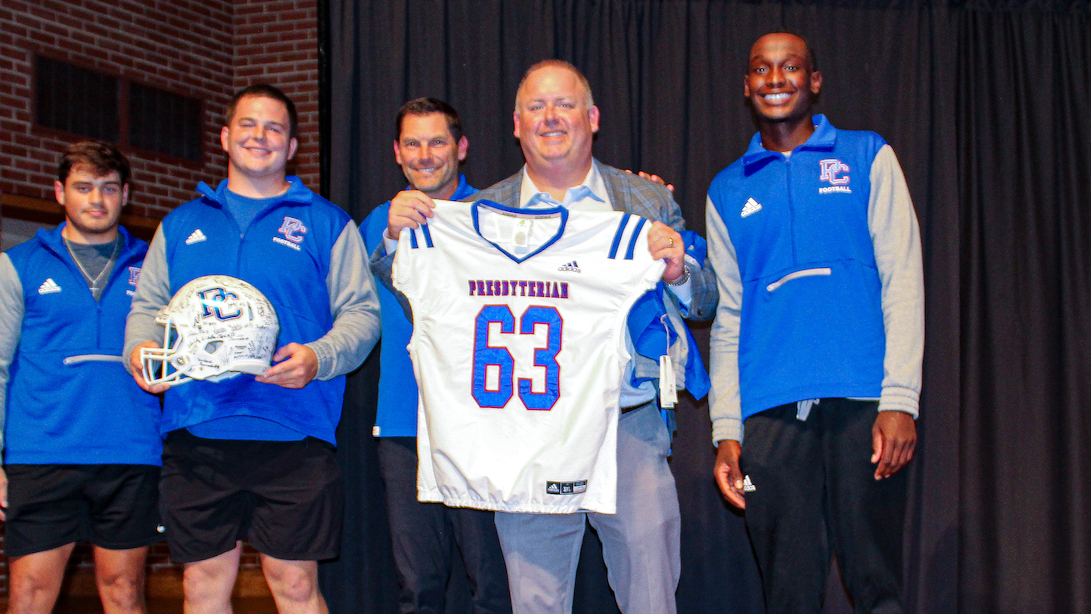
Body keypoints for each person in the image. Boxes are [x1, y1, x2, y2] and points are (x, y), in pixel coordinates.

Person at [375, 60, 717, 614]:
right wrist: (396, 241)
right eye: (536, 107)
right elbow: (413, 295)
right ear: (516, 123)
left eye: (564, 104)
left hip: (625, 425)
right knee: (535, 603)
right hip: (527, 435)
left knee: (651, 598)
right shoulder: (475, 211)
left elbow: (707, 299)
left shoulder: (644, 200)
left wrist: (679, 272)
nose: (550, 117)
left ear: (593, 117)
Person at [125, 84, 380, 614]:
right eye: (247, 125)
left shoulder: (327, 223)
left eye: (274, 128)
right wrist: (141, 351)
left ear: (291, 147)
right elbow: (147, 310)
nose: (259, 136)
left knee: (293, 587)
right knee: (202, 587)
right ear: (224, 137)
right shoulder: (180, 225)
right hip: (198, 429)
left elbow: (361, 315)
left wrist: (318, 357)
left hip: (292, 429)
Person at [707, 32, 924, 613]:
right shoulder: (728, 189)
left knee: (876, 582)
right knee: (787, 592)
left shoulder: (867, 156)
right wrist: (726, 430)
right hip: (768, 417)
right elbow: (728, 316)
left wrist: (899, 399)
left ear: (815, 80)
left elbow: (903, 280)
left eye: (790, 67)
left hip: (865, 407)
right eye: (761, 69)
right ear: (747, 86)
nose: (775, 79)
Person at [0, 140, 162, 614]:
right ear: (59, 193)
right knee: (30, 595)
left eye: (109, 188)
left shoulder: (156, 266)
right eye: (84, 187)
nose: (97, 199)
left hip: (131, 454)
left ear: (125, 194)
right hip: (42, 455)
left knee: (125, 593)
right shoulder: (18, 266)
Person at [357, 98, 512, 614]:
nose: (426, 154)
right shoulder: (376, 224)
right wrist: (390, 239)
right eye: (413, 144)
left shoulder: (497, 213)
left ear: (461, 148)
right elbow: (354, 318)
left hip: (480, 420)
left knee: (492, 584)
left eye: (438, 141)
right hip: (403, 424)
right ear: (397, 154)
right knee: (418, 586)